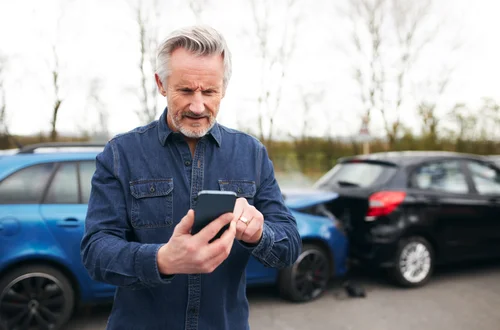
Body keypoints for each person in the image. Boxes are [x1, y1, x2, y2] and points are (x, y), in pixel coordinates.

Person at [80, 25, 301, 330]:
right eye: (185, 90)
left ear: (223, 87)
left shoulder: (252, 153)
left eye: (209, 91)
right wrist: (162, 260)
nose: (198, 106)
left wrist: (259, 234)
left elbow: (289, 246)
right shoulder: (121, 153)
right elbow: (95, 251)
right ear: (161, 83)